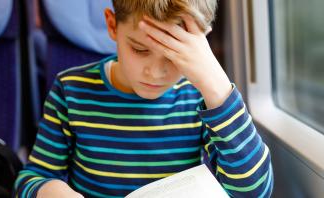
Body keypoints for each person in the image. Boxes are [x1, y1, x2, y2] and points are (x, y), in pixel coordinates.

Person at [14, 0, 273, 197]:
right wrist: (54, 192)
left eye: (174, 57)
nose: (155, 72)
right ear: (112, 25)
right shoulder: (70, 91)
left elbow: (254, 191)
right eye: (139, 50)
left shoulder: (202, 98)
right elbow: (31, 179)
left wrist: (215, 85)